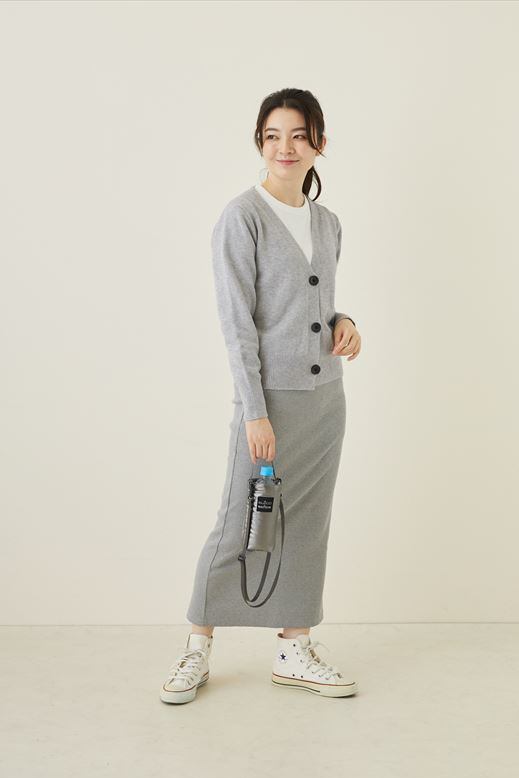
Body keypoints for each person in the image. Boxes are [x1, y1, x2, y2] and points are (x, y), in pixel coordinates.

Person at [160, 88, 363, 704]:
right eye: (273, 135)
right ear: (259, 143)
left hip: (324, 400)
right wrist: (254, 411)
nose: (285, 147)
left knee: (308, 525)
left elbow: (314, 304)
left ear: (318, 144)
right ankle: (197, 648)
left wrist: (344, 323)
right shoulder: (241, 217)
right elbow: (238, 324)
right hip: (269, 400)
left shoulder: (327, 223)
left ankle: (294, 647)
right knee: (239, 523)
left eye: (298, 135)